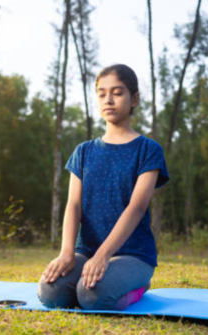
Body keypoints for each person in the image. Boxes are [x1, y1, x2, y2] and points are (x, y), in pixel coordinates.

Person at [38, 64, 170, 311]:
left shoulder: (148, 150)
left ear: (134, 99)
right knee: (50, 293)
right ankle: (87, 279)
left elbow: (136, 207)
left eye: (117, 92)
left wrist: (103, 255)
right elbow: (73, 205)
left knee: (92, 297)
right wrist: (67, 253)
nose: (108, 100)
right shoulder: (84, 151)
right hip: (85, 251)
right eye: (101, 93)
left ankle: (139, 286)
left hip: (132, 254)